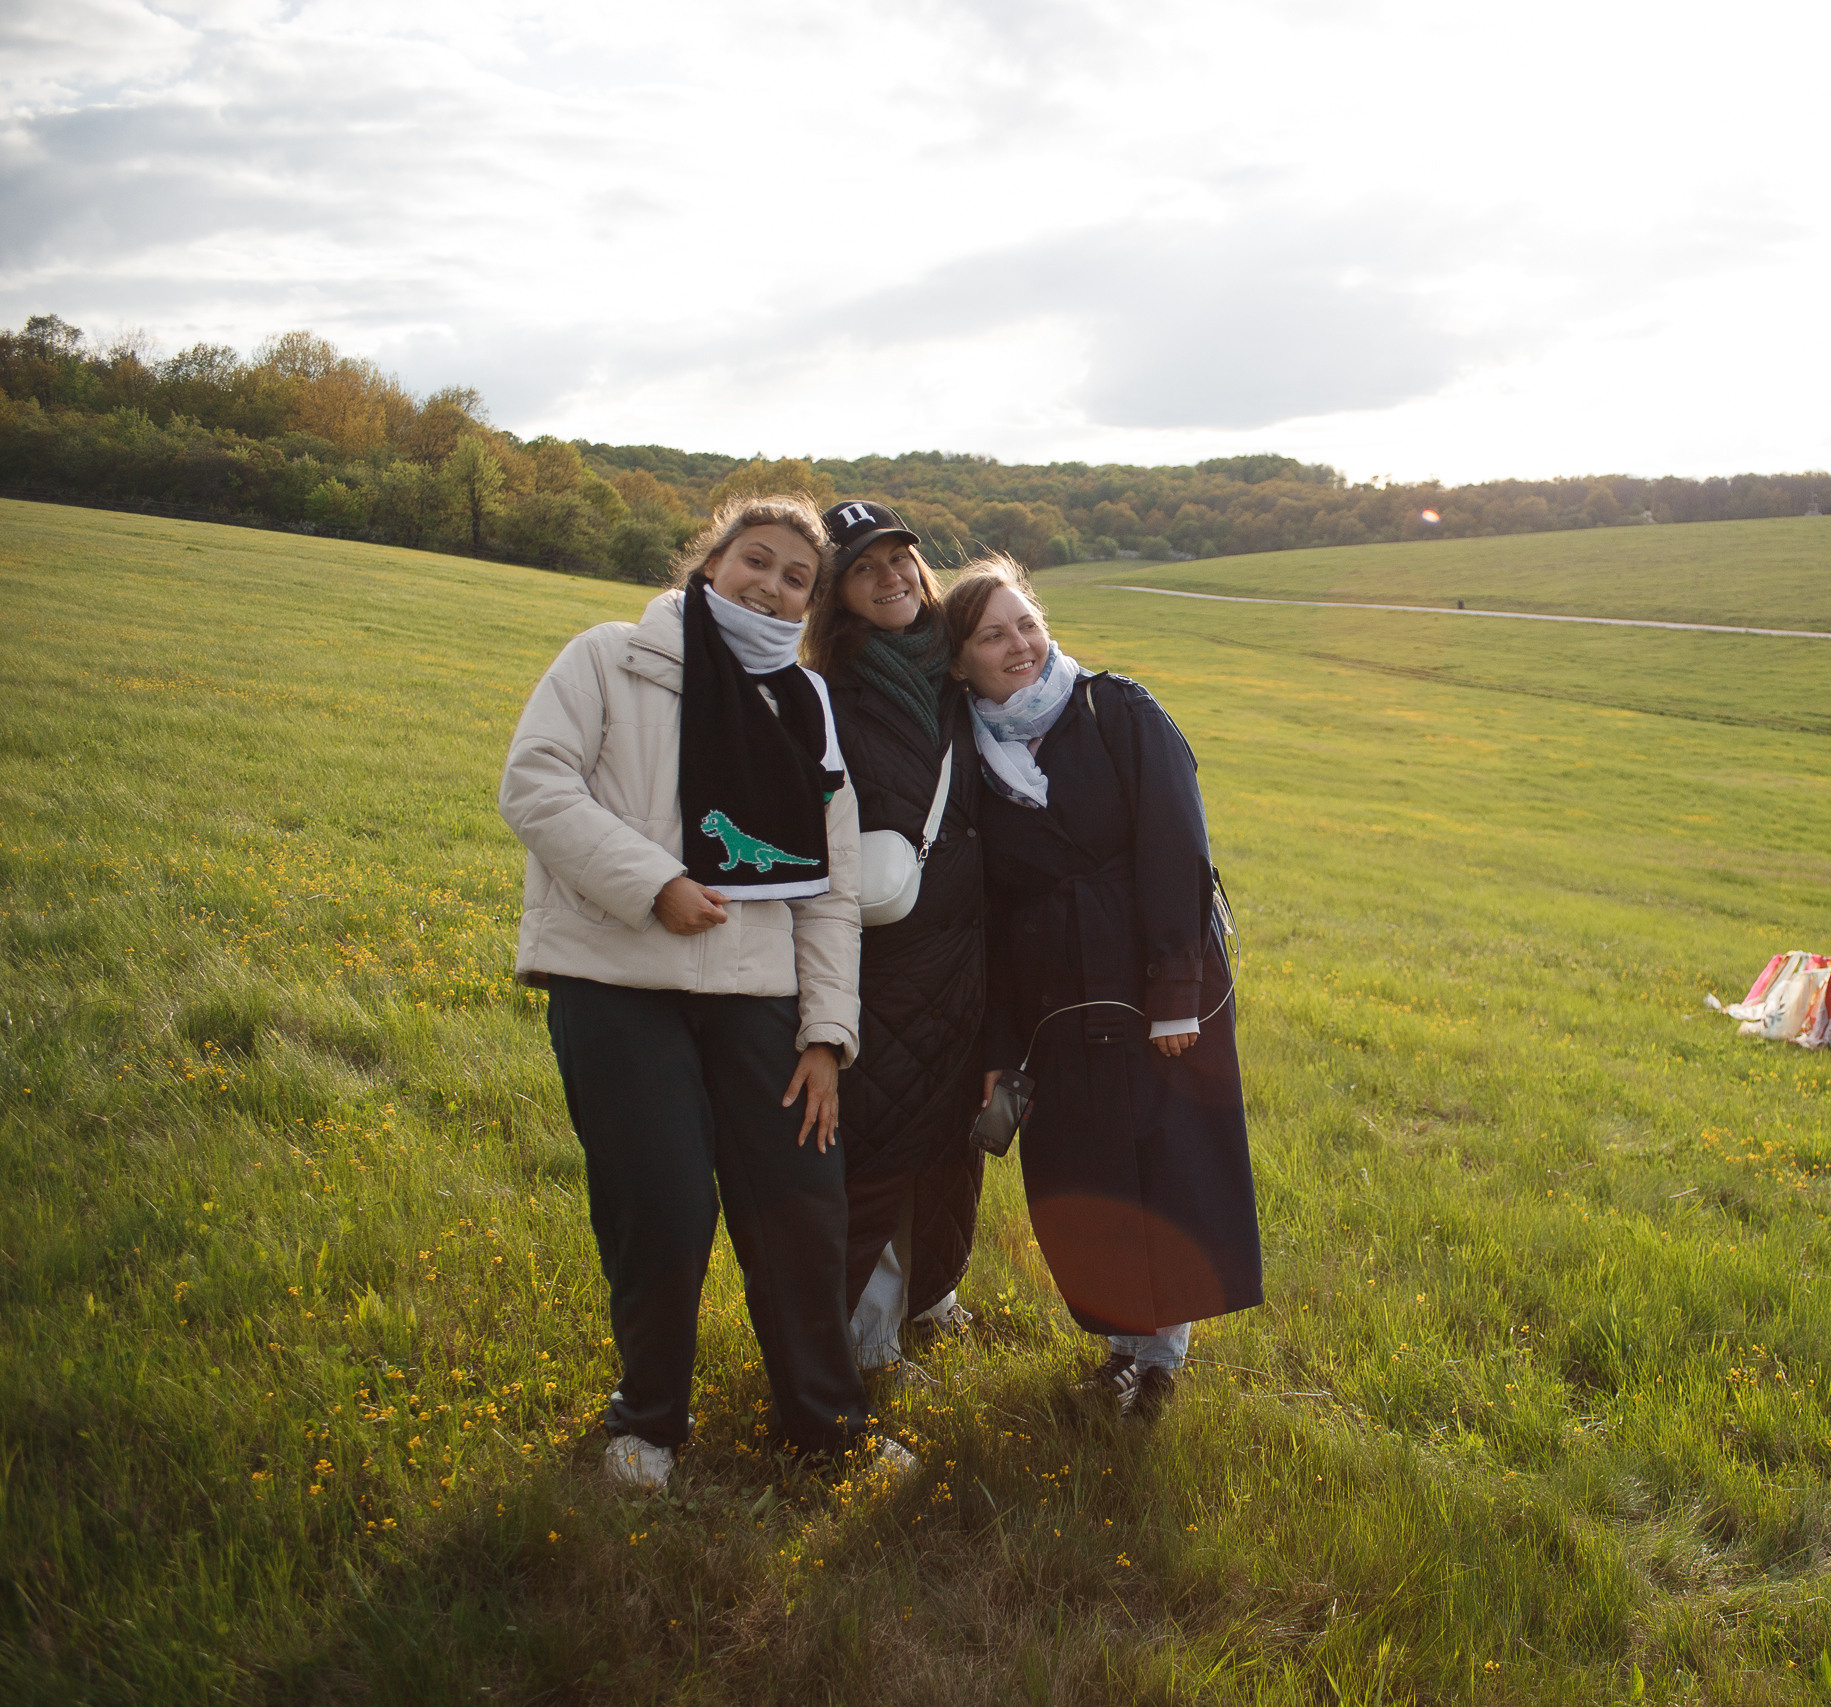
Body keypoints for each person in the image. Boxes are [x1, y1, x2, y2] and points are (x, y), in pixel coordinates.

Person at [499, 494, 900, 1492]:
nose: (770, 584)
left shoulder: (805, 707)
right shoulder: (607, 658)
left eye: (795, 577)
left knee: (802, 1205)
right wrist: (654, 884)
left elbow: (831, 882)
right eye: (754, 560)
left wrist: (825, 1034)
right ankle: (649, 1419)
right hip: (616, 978)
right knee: (661, 1206)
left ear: (810, 604)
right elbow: (537, 786)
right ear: (710, 560)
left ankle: (825, 1426)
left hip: (757, 992)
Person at [943, 558, 1262, 1420]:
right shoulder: (971, 753)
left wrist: (1174, 991)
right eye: (992, 635)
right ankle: (1122, 1346)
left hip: (1154, 985)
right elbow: (994, 912)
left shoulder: (1117, 709)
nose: (1019, 645)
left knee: (1167, 1169)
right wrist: (1003, 1047)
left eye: (1026, 623)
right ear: (961, 660)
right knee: (1092, 1175)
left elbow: (1175, 848)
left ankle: (1159, 1362)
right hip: (1059, 1000)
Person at [804, 500, 987, 1376]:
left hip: (966, 957)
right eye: (865, 568)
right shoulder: (828, 694)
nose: (891, 578)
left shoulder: (962, 682)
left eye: (900, 559)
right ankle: (867, 1343)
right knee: (877, 1150)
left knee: (947, 1144)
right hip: (880, 960)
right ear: (838, 593)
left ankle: (930, 1297)